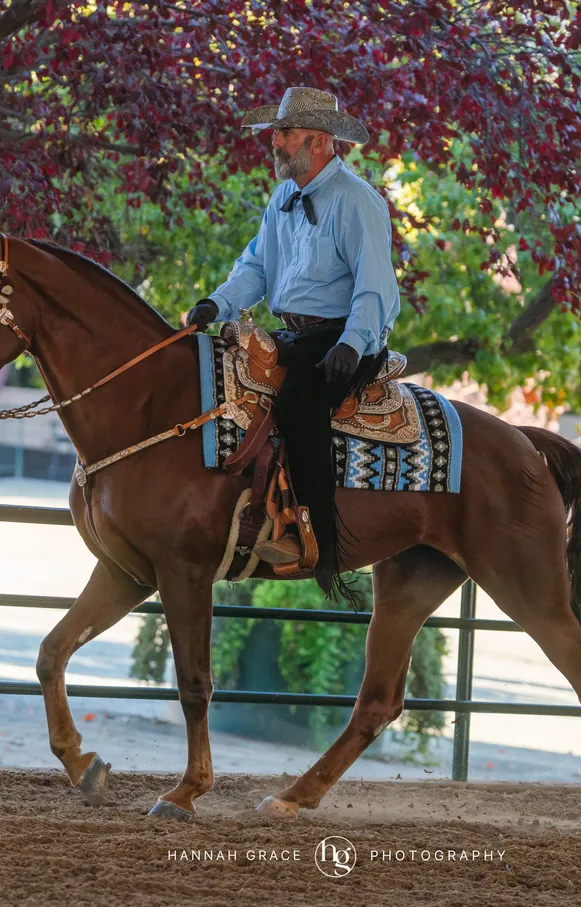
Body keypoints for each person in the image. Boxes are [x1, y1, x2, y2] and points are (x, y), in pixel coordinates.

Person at [185, 87, 399, 599]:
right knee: (218, 377)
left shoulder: (356, 200)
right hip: (294, 333)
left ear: (321, 142)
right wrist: (218, 304)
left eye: (284, 133)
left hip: (344, 336)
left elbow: (375, 286)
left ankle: (320, 544)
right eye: (276, 132)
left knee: (300, 402)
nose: (274, 142)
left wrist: (352, 343)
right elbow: (255, 266)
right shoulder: (282, 197)